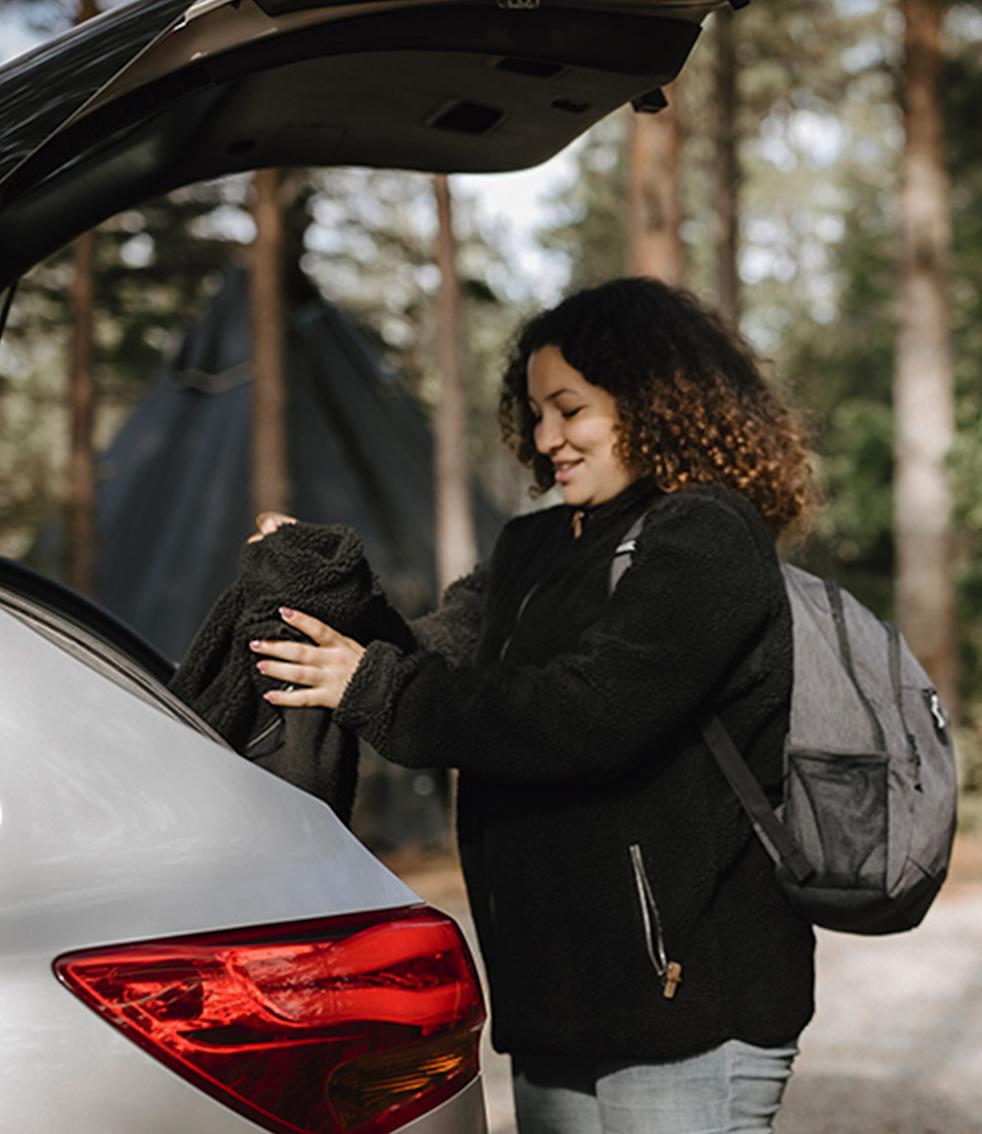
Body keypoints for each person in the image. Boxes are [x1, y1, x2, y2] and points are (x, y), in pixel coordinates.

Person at [248, 277, 817, 1134]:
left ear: (653, 401)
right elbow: (435, 654)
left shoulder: (705, 537)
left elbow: (590, 712)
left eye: (570, 409)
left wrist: (370, 684)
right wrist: (325, 585)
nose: (546, 438)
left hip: (689, 1003)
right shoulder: (534, 543)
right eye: (535, 413)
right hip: (559, 999)